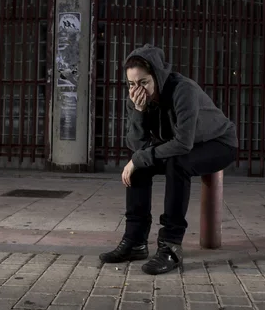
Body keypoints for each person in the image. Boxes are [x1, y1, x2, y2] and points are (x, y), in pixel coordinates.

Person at [99, 44, 238, 275]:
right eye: (131, 84)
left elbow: (183, 143)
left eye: (143, 82)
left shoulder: (183, 90)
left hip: (218, 143)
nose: (137, 90)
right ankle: (135, 241)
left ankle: (171, 246)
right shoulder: (135, 100)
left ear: (157, 76)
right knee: (139, 167)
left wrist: (140, 156)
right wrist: (139, 112)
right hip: (185, 145)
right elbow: (137, 145)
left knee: (177, 162)